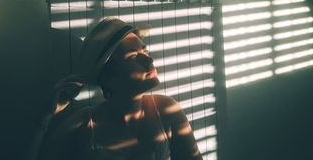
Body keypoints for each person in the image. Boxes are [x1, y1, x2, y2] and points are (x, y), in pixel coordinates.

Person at [37, 17, 203, 160]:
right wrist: (47, 115)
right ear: (108, 76)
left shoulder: (166, 110)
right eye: (133, 57)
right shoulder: (83, 125)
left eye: (145, 51)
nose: (149, 60)